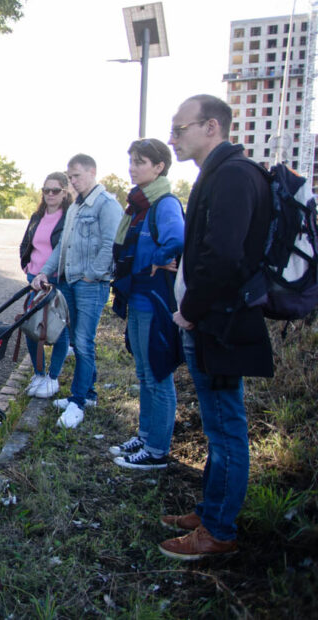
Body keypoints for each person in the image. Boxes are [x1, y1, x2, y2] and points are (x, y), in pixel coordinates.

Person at [158, 95, 273, 560]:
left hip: (220, 324)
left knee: (226, 428)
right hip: (213, 321)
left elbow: (222, 256)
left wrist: (192, 310)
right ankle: (210, 511)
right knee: (216, 425)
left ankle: (218, 531)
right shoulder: (220, 173)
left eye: (179, 129)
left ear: (210, 127)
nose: (173, 138)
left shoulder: (233, 175)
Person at [108, 138, 185, 470]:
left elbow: (178, 238)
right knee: (143, 373)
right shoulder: (139, 206)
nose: (132, 167)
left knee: (157, 376)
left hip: (155, 302)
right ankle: (145, 434)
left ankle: (157, 451)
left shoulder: (164, 203)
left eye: (140, 161)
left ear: (159, 167)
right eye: (131, 161)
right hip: (137, 299)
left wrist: (159, 258)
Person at [32, 154, 122, 429]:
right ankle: (88, 394)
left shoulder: (106, 205)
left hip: (90, 285)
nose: (72, 181)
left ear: (93, 172)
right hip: (69, 281)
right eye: (69, 177)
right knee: (76, 340)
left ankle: (78, 402)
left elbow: (111, 245)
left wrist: (91, 275)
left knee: (83, 342)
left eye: (77, 176)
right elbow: (62, 246)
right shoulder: (76, 207)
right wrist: (45, 271)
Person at [19, 172, 72, 399]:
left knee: (58, 329)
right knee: (32, 328)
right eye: (46, 190)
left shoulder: (69, 217)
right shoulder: (37, 216)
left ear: (64, 192)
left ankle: (52, 378)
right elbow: (26, 243)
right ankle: (39, 373)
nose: (50, 194)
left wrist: (51, 274)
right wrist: (27, 269)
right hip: (35, 280)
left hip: (57, 281)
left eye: (55, 190)